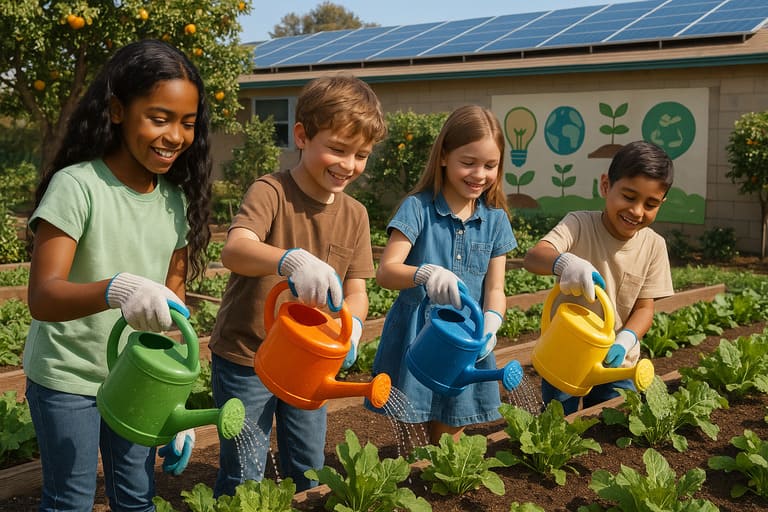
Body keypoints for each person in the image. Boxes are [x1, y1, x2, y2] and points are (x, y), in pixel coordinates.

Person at [23, 39, 212, 511]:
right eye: (159, 117)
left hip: (138, 381)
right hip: (68, 376)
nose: (175, 136)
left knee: (137, 497)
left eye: (187, 123)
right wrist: (115, 289)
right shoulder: (77, 187)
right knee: (71, 500)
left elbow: (173, 314)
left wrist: (178, 403)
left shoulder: (175, 202)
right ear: (117, 111)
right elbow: (43, 297)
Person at [208, 73, 387, 495]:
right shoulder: (271, 192)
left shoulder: (355, 214)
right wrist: (288, 259)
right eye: (338, 150)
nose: (349, 165)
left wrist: (353, 328)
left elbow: (357, 288)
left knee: (308, 467)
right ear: (303, 136)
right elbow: (234, 250)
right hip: (247, 356)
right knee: (244, 470)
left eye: (361, 155)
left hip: (311, 362)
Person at [366, 105, 517, 445]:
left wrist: (491, 323)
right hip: (416, 336)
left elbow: (496, 288)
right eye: (469, 162)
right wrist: (423, 274)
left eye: (490, 166)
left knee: (450, 440)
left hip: (467, 338)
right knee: (413, 443)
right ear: (444, 156)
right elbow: (386, 272)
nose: (479, 174)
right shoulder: (417, 208)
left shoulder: (495, 220)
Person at [523, 140, 675, 415]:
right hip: (565, 351)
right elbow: (534, 257)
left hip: (615, 362)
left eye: (651, 204)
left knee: (610, 428)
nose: (637, 211)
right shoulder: (579, 225)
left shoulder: (654, 245)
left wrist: (625, 340)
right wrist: (564, 262)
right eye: (629, 197)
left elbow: (645, 307)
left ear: (661, 203)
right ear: (606, 185)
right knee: (558, 424)